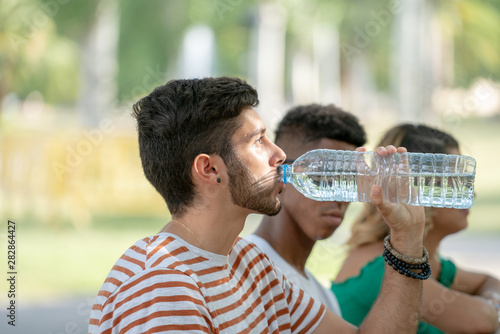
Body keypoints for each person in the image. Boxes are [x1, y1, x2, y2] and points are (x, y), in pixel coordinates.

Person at [89, 77, 427, 333]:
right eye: (258, 141)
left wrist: (407, 239)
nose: (279, 154)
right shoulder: (163, 287)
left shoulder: (252, 264)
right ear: (210, 170)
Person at [331, 123, 500, 334]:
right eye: (454, 180)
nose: (470, 193)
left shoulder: (429, 263)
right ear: (412, 186)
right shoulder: (386, 267)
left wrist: (491, 303)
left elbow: (489, 282)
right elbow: (481, 321)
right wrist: (493, 308)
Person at [245, 103, 367, 316]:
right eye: (322, 176)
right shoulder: (245, 270)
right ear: (281, 172)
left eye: (349, 180)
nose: (339, 194)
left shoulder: (324, 297)